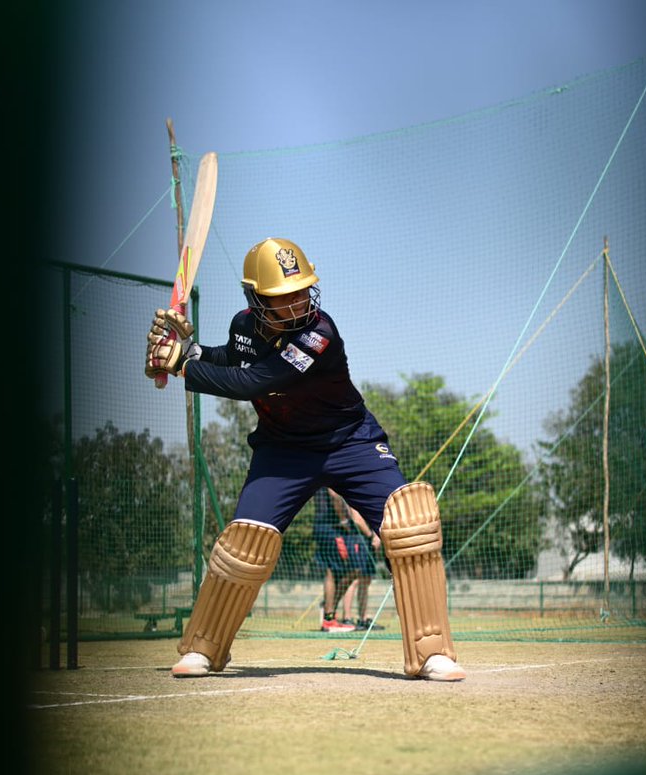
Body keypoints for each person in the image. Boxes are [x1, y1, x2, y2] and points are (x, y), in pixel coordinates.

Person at [145, 236, 464, 681]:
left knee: (409, 523)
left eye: (302, 290)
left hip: (349, 441)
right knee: (243, 543)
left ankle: (432, 652)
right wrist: (192, 352)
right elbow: (234, 359)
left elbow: (255, 381)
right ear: (256, 300)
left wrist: (182, 364)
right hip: (283, 450)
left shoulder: (320, 333)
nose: (298, 301)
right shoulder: (244, 327)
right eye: (283, 295)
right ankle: (204, 647)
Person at [311, 487, 376, 633]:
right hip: (332, 527)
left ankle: (329, 612)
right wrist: (344, 519)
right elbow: (334, 494)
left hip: (324, 526)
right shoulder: (330, 471)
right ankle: (329, 615)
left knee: (335, 571)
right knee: (348, 570)